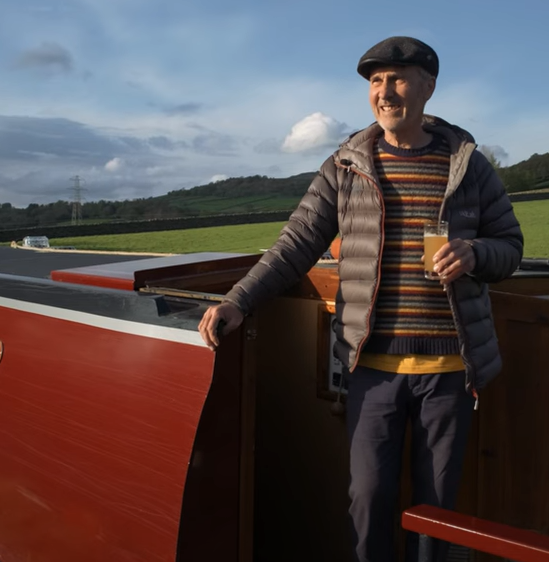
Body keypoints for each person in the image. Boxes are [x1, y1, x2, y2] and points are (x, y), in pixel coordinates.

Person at [199, 36, 524, 562]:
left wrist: (475, 253)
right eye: (375, 82)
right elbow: (296, 244)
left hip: (449, 371)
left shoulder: (469, 165)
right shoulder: (346, 165)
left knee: (436, 511)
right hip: (372, 368)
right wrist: (238, 301)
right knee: (367, 501)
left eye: (396, 79)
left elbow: (511, 247)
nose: (384, 92)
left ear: (428, 86)